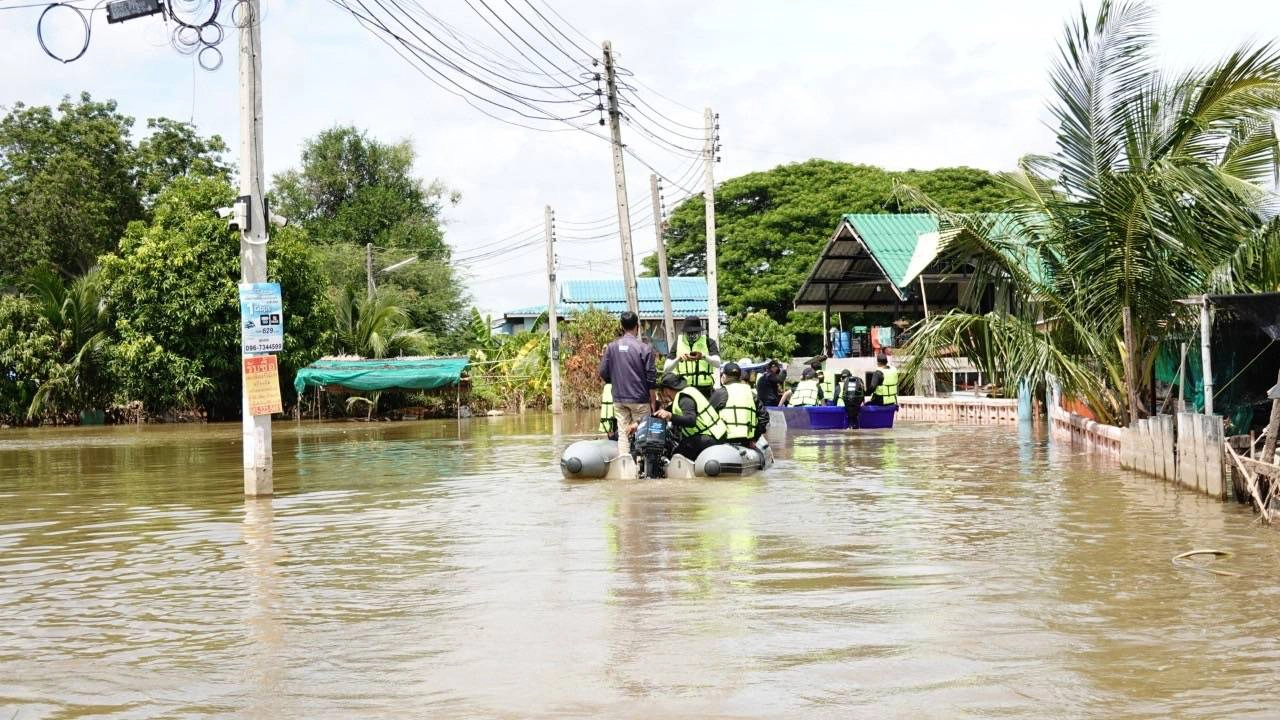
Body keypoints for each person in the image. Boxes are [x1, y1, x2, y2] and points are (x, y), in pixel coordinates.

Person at [598, 311, 656, 458]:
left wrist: (616, 381)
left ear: (621, 326)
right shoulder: (645, 348)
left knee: (623, 433)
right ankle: (641, 465)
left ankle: (624, 465)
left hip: (619, 399)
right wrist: (653, 402)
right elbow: (651, 379)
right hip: (640, 399)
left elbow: (603, 372)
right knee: (642, 431)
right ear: (637, 326)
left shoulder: (611, 347)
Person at [654, 372, 727, 460]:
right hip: (714, 434)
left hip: (711, 436)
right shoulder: (686, 393)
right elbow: (663, 412)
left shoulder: (684, 399)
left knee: (676, 457)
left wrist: (670, 416)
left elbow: (691, 420)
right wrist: (642, 421)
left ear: (667, 390)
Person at [710, 362, 768, 445]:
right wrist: (755, 438)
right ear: (739, 377)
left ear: (724, 377)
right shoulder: (751, 393)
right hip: (747, 440)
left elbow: (707, 417)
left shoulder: (720, 393)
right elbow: (764, 417)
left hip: (725, 440)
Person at [665, 315, 720, 398]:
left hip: (705, 389)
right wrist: (678, 359)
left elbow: (717, 363)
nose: (692, 335)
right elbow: (666, 369)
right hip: (684, 388)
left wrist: (703, 356)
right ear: (684, 332)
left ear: (700, 331)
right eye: (689, 332)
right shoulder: (678, 343)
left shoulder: (709, 342)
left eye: (695, 332)